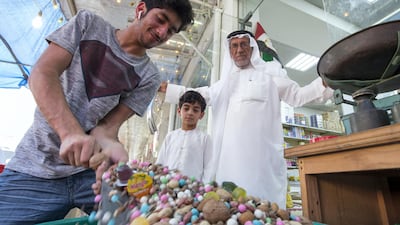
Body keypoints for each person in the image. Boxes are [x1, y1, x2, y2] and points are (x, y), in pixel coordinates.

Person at [0, 1, 193, 224]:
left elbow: (107, 128)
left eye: (171, 31)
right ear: (141, 8)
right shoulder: (88, 24)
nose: (162, 33)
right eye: (161, 20)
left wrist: (114, 149)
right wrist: (70, 133)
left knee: (143, 217)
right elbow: (43, 73)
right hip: (35, 166)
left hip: (91, 174)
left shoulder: (149, 76)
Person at [163, 30, 333, 209]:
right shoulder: (223, 86)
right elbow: (196, 96)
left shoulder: (270, 79)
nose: (239, 50)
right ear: (229, 51)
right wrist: (168, 90)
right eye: (234, 46)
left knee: (264, 209)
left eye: (244, 44)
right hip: (229, 162)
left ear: (252, 48)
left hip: (261, 163)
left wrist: (326, 81)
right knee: (231, 209)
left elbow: (298, 96)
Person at [156, 90, 214, 183]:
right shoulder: (170, 136)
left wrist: (203, 188)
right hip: (168, 186)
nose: (190, 113)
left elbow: (209, 168)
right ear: (179, 111)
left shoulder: (205, 139)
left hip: (193, 189)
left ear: (201, 115)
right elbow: (160, 163)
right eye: (186, 108)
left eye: (195, 110)